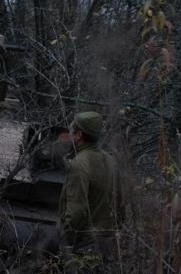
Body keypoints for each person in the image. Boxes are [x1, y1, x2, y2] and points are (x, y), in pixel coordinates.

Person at [58, 111, 120, 273]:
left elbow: (77, 210)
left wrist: (66, 240)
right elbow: (119, 203)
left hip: (85, 245)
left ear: (79, 135)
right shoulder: (111, 161)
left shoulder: (79, 164)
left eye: (72, 131)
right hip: (108, 243)